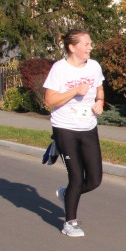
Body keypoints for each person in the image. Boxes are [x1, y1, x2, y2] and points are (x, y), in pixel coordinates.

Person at [43, 29, 105, 237]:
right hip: (65, 128)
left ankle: (66, 194)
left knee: (95, 180)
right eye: (86, 44)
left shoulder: (94, 66)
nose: (90, 47)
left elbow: (100, 89)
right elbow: (49, 101)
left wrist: (99, 102)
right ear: (72, 47)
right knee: (77, 177)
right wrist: (74, 91)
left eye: (90, 43)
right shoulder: (59, 69)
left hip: (88, 127)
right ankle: (70, 223)